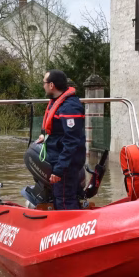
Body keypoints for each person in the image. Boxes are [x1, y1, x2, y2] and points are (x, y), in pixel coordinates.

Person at [34, 70, 86, 210]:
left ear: (51, 85)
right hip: (58, 157)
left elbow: (71, 141)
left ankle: (72, 222)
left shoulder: (69, 107)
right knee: (59, 196)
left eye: (44, 83)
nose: (43, 86)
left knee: (64, 199)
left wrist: (59, 169)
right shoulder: (57, 101)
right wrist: (45, 137)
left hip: (66, 163)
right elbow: (58, 132)